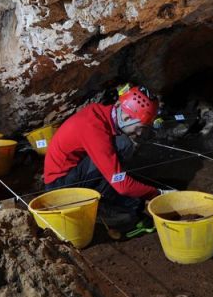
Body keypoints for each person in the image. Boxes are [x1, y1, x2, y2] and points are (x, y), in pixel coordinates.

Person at [44, 85, 170, 231]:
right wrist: (157, 193)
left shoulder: (101, 113)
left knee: (120, 146)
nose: (140, 133)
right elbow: (122, 185)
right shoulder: (94, 129)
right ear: (127, 117)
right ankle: (99, 207)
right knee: (123, 146)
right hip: (60, 187)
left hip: (73, 171)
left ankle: (106, 193)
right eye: (141, 127)